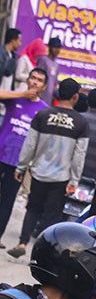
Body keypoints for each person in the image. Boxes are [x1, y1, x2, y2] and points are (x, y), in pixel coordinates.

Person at [7, 78, 89, 258]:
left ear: (59, 93)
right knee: (50, 216)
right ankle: (40, 253)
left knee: (33, 208)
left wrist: (21, 167)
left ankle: (22, 242)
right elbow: (79, 155)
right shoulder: (81, 123)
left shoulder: (43, 115)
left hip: (38, 173)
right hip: (61, 177)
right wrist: (75, 180)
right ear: (75, 97)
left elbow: (30, 144)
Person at [0, 68, 48, 239]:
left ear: (44, 86)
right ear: (27, 80)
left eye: (39, 80)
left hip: (19, 162)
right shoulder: (15, 99)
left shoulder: (44, 110)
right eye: (32, 78)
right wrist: (20, 94)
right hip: (1, 153)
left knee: (7, 200)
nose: (35, 82)